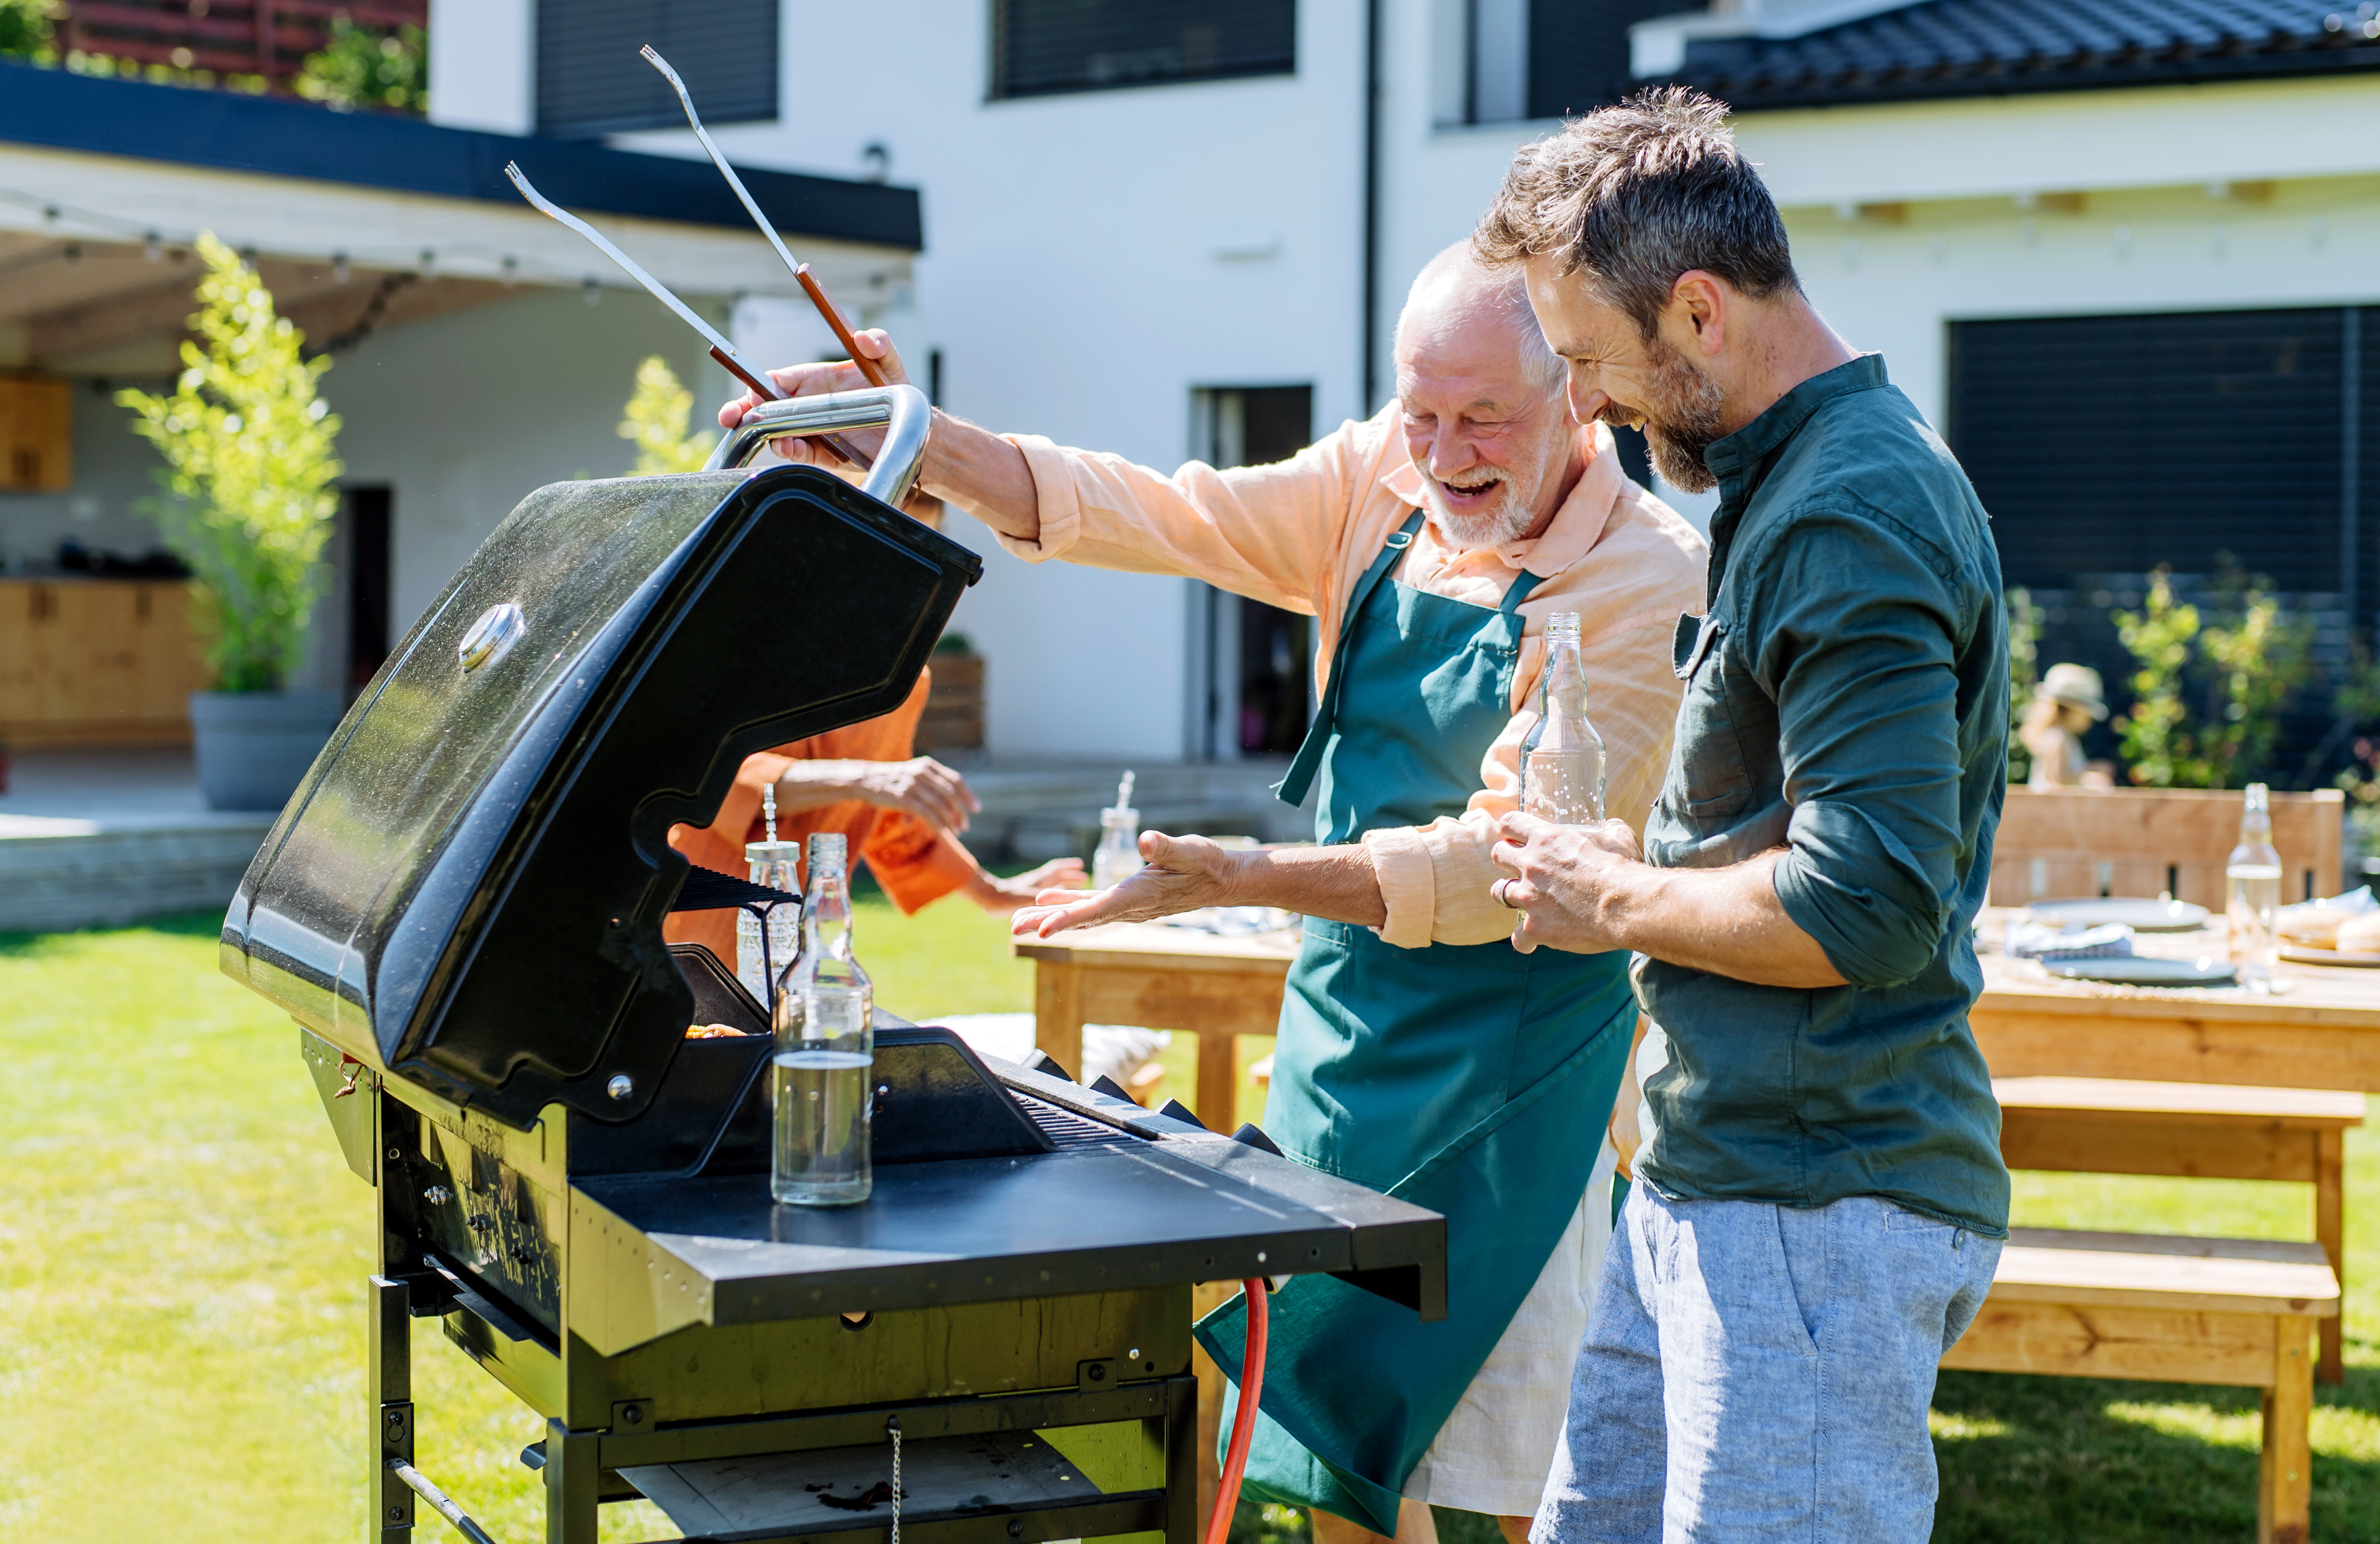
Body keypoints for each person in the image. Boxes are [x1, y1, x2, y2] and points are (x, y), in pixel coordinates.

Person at [727, 242, 1707, 1544]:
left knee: (1489, 1481)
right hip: (1345, 1041)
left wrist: (1246, 875)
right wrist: (911, 436)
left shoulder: (1646, 576)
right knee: (1334, 1466)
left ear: (1582, 393)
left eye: (1483, 417)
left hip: (1515, 1084)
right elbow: (1160, 509)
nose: (1444, 450)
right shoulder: (1380, 474)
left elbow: (1502, 865)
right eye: (1420, 410)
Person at [1476, 88, 2011, 1543]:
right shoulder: (1791, 488)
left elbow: (1866, 905)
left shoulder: (1848, 508)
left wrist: (1612, 902)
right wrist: (1624, 860)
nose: (1580, 403)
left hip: (1816, 1200)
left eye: (1587, 358)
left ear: (1698, 310)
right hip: (1717, 1177)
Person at [661, 665, 1082, 967]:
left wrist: (991, 892)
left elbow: (889, 808)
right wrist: (864, 776)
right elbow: (708, 774)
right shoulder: (761, 638)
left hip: (800, 945)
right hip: (691, 925)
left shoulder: (907, 675)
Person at [2021, 661, 2115, 791]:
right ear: (2071, 710)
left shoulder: (2064, 738)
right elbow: (2056, 782)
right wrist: (2088, 776)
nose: (2090, 719)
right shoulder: (2057, 738)